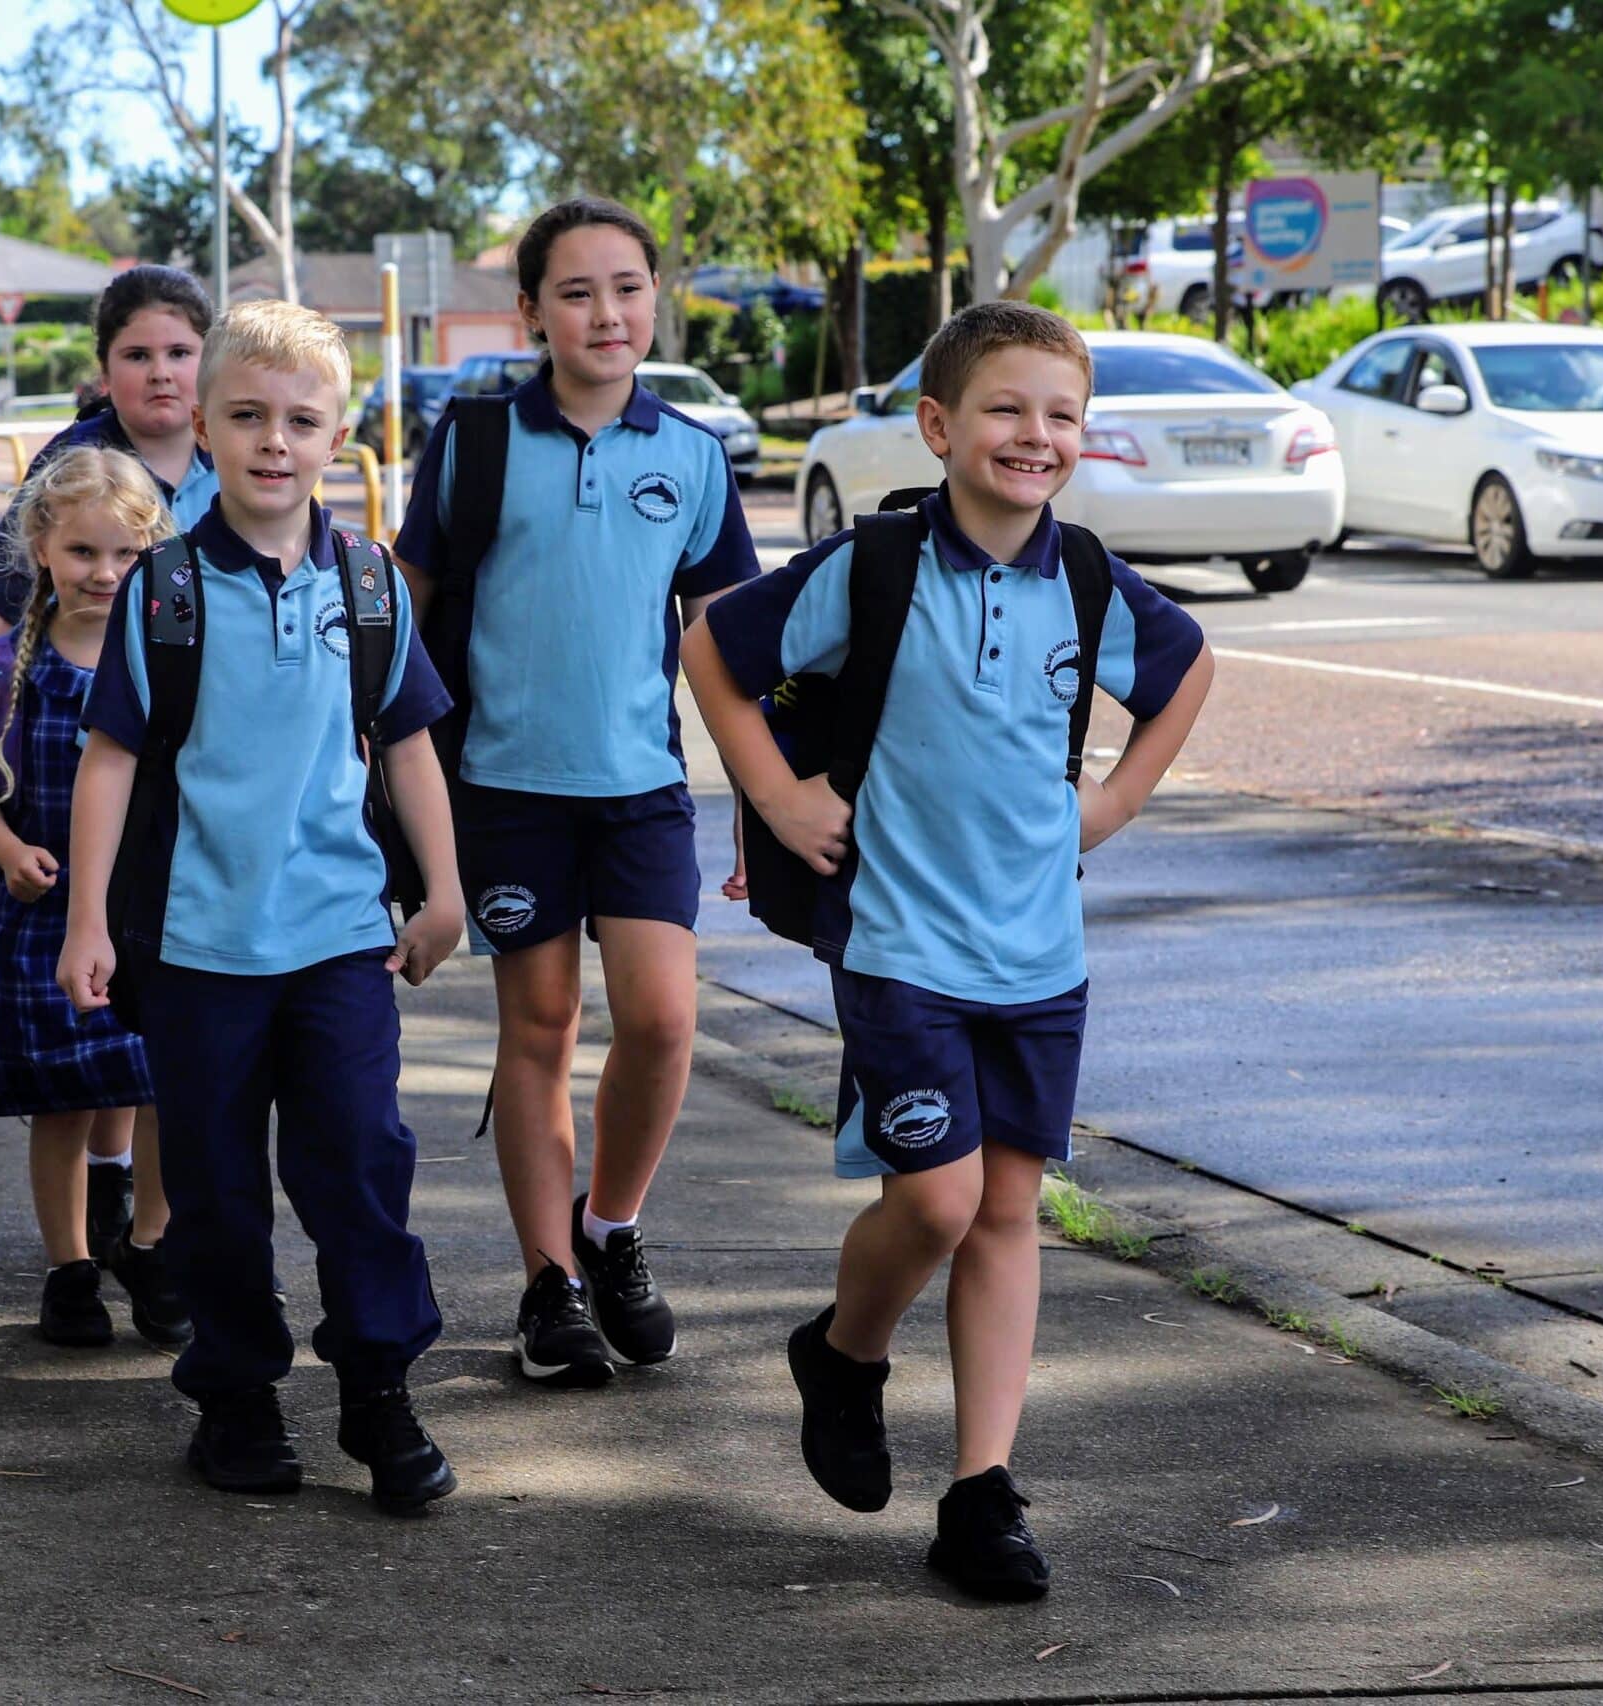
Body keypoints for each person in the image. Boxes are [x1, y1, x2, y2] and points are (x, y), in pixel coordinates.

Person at [682, 302, 1213, 1599]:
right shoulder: (876, 569)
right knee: (937, 1196)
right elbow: (713, 649)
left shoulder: (1083, 578)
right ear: (939, 426)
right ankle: (846, 1352)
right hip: (899, 939)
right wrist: (783, 797)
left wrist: (1117, 801)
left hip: (1039, 955)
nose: (1036, 436)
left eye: (1062, 416)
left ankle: (981, 1490)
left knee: (1010, 1209)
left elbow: (1188, 668)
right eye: (1007, 409)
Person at [56, 301, 466, 1516]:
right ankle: (237, 1392)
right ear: (206, 422)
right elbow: (112, 760)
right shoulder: (164, 585)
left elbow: (409, 747)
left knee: (358, 1166)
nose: (272, 442)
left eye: (300, 421)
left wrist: (441, 891)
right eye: (246, 416)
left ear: (339, 439)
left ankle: (380, 1391)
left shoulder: (371, 584)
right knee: (219, 1190)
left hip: (340, 936)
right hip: (197, 945)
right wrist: (88, 920)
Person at [392, 197, 758, 1388]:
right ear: (531, 311)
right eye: (576, 291)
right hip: (503, 789)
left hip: (640, 787)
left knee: (661, 1020)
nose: (606, 312)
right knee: (537, 1031)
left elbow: (725, 651)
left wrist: (762, 804)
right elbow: (406, 605)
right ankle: (548, 1285)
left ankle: (611, 1227)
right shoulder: (477, 439)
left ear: (657, 298)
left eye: (627, 287)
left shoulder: (693, 456)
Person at [0, 264, 217, 1272]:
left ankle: (136, 1216)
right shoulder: (71, 470)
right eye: (136, 355)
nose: (160, 374)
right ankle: (93, 1222)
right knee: (90, 1026)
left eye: (179, 353)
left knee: (154, 1036)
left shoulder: (233, 450)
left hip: (187, 792)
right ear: (104, 368)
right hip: (63, 770)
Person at [0, 445, 188, 1350]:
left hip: (143, 916)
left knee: (161, 1084)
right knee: (63, 1102)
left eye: (126, 556)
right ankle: (70, 1266)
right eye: (84, 552)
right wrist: (4, 848)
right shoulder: (4, 665)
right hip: (34, 913)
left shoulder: (169, 666)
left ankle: (155, 1245)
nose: (105, 574)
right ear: (42, 546)